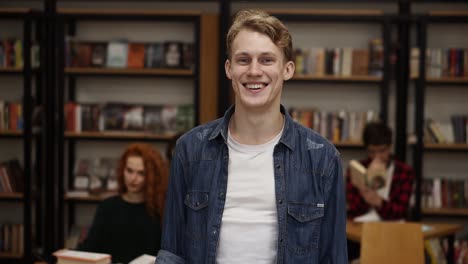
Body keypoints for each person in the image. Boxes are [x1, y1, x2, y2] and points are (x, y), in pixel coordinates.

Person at [156, 9, 347, 263]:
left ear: (288, 69)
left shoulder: (323, 159)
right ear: (229, 68)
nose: (254, 71)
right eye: (243, 60)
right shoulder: (190, 150)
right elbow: (172, 253)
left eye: (267, 60)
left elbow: (333, 258)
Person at [78, 143, 168, 263]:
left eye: (141, 173)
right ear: (122, 170)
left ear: (151, 177)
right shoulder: (107, 207)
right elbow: (90, 249)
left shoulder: (160, 211)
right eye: (129, 171)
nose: (133, 178)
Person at [346, 122, 415, 261]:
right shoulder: (357, 170)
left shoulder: (404, 172)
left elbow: (400, 211)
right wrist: (365, 195)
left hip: (393, 232)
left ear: (390, 147)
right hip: (361, 233)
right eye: (372, 152)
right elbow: (353, 210)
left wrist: (379, 202)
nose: (377, 157)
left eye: (382, 151)